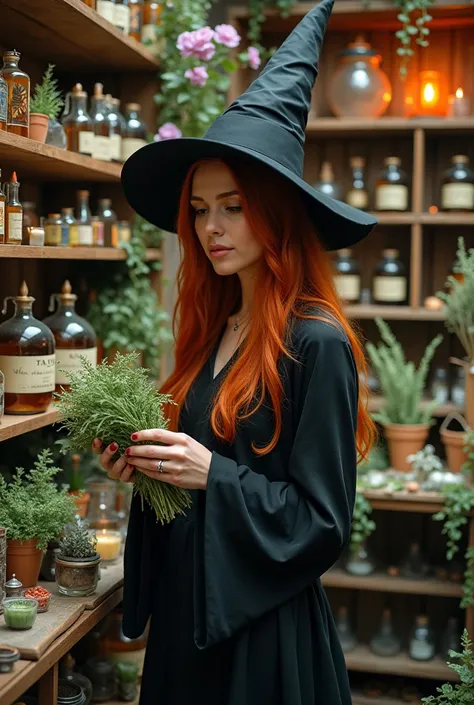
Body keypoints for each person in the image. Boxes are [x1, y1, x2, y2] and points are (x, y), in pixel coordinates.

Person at [93, 1, 379, 703]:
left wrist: (210, 473)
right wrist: (150, 470)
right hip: (188, 625)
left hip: (261, 642)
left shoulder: (318, 343)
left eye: (232, 205)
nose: (211, 227)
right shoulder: (214, 329)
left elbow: (321, 523)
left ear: (275, 210)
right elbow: (201, 485)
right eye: (199, 208)